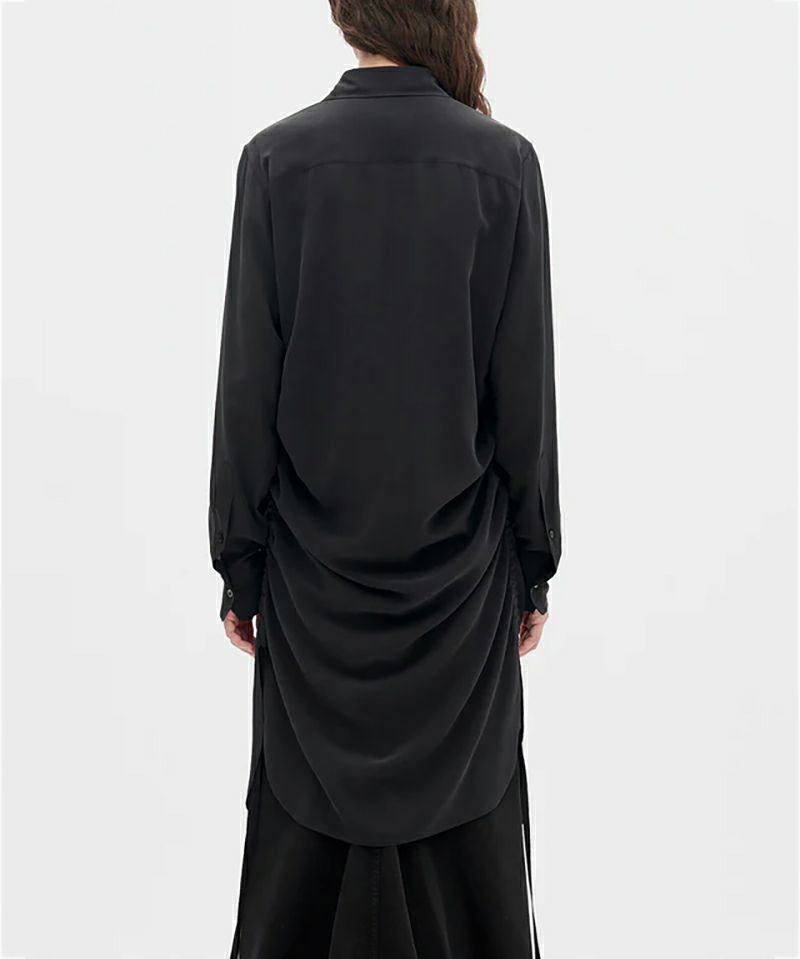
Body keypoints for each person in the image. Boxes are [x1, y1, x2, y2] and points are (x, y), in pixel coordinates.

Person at [208, 1, 562, 955]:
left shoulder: (276, 161)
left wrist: (240, 562)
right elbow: (524, 392)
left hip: (312, 588)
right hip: (462, 593)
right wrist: (533, 562)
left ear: (346, 12)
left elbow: (248, 385)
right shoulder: (504, 165)